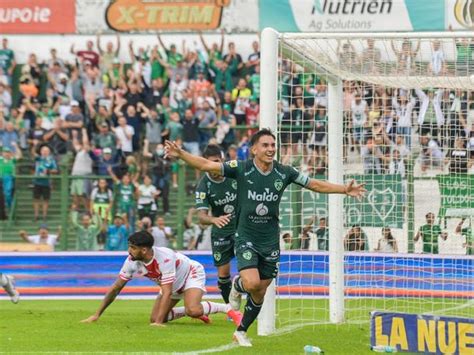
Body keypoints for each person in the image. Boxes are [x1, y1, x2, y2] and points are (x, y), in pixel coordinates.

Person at [164, 129, 365, 346]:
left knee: (261, 290)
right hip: (245, 236)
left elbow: (314, 184)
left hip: (270, 239)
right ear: (254, 150)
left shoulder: (284, 172)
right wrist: (182, 154)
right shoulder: (240, 168)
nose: (270, 149)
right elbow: (207, 166)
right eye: (265, 145)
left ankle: (241, 330)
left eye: (272, 145)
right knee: (252, 283)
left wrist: (344, 189)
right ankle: (239, 286)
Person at [81, 231, 242, 326]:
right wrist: (96, 315)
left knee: (191, 309)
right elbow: (116, 288)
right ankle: (192, 311)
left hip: (190, 274)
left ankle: (228, 309)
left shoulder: (164, 257)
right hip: (172, 284)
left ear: (144, 250)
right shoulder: (131, 261)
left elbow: (166, 292)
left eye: (133, 248)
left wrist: (158, 324)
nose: (129, 251)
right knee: (158, 317)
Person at [195, 144, 241, 310]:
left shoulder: (233, 172)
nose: (216, 166)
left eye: (218, 161)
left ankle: (241, 289)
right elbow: (201, 217)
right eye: (212, 162)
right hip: (221, 231)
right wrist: (214, 220)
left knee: (248, 268)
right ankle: (232, 310)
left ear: (222, 160)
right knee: (223, 277)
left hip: (242, 228)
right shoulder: (203, 186)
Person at [32, 145, 58, 221]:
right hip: (37, 181)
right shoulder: (38, 158)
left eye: (46, 151)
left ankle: (44, 216)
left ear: (49, 152)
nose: (45, 152)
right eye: (43, 150)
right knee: (36, 199)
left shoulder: (51, 160)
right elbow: (33, 153)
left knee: (46, 200)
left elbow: (55, 170)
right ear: (41, 151)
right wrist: (35, 145)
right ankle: (36, 215)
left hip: (46, 182)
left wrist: (49, 171)